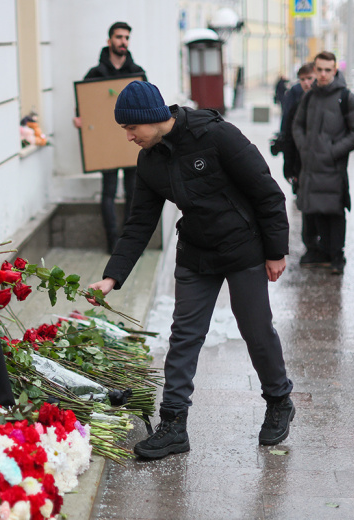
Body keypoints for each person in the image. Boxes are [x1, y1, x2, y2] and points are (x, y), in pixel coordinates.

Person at [86, 81, 295, 459]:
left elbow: (266, 190)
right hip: (196, 252)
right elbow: (139, 223)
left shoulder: (215, 135)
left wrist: (276, 250)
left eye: (131, 128)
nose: (129, 137)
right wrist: (112, 275)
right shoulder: (149, 160)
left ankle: (279, 400)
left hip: (242, 246)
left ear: (151, 118)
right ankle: (174, 425)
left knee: (256, 329)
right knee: (184, 334)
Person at [74, 21, 146, 254]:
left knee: (133, 194)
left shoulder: (137, 73)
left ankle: (129, 243)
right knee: (109, 192)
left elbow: (148, 105)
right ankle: (112, 244)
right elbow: (84, 107)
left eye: (126, 38)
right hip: (106, 147)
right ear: (109, 41)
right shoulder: (95, 74)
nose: (123, 41)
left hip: (132, 143)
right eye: (119, 37)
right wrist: (80, 120)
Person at [292, 51, 354, 274]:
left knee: (334, 212)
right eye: (319, 69)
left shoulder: (347, 97)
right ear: (314, 70)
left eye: (328, 70)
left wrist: (334, 151)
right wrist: (305, 147)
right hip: (311, 166)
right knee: (315, 210)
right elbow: (297, 125)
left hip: (332, 167)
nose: (323, 74)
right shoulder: (309, 96)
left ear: (335, 70)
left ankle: (337, 256)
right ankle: (322, 252)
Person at [279, 63, 326, 267]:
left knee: (323, 205)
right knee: (305, 205)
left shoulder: (323, 98)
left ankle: (326, 247)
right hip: (300, 162)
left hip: (321, 162)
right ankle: (311, 246)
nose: (307, 83)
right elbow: (287, 132)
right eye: (303, 79)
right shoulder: (294, 97)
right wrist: (288, 165)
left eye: (310, 78)